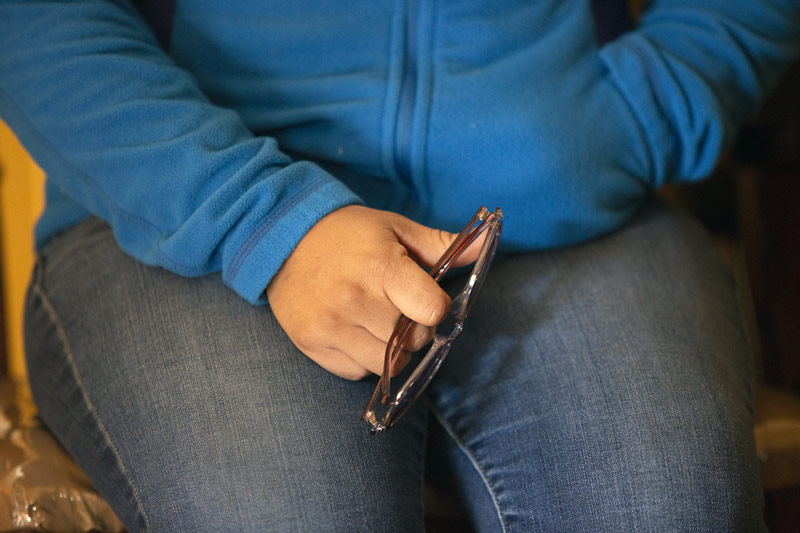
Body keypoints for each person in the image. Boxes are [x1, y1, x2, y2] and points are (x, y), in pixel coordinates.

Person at [2, 0, 798, 530]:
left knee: (660, 508)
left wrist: (623, 122)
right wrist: (264, 220)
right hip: (187, 214)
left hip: (570, 214)